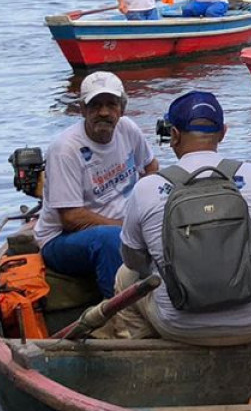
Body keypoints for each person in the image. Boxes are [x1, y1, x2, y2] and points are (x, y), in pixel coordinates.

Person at [106, 91, 251, 345]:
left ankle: (137, 347)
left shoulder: (147, 187)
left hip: (180, 328)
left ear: (174, 135)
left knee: (125, 275)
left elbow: (133, 260)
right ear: (223, 132)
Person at [34, 71, 160, 292]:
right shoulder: (65, 149)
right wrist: (129, 228)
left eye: (111, 105)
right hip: (61, 239)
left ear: (122, 109)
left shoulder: (128, 129)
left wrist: (147, 212)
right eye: (95, 105)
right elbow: (72, 218)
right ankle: (118, 315)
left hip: (119, 225)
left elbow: (151, 167)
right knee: (110, 239)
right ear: (83, 110)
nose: (104, 112)